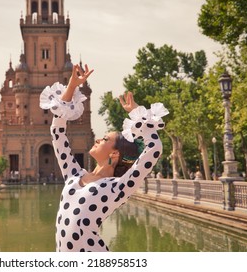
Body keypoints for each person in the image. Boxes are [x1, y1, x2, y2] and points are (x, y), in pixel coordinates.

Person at [39, 64, 168, 252]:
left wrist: (137, 114)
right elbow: (57, 132)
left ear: (114, 154)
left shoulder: (119, 187)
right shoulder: (73, 175)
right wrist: (72, 87)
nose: (98, 138)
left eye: (105, 139)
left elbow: (154, 148)